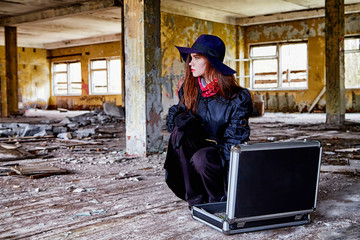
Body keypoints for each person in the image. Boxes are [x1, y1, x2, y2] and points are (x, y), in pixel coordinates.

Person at [164, 34, 253, 209]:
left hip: (218, 156)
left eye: (196, 58)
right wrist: (177, 119)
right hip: (196, 147)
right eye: (191, 58)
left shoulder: (238, 97)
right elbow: (176, 115)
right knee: (179, 133)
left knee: (201, 157)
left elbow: (235, 143)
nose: (190, 63)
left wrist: (230, 178)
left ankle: (218, 200)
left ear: (211, 61)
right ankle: (196, 201)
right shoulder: (189, 89)